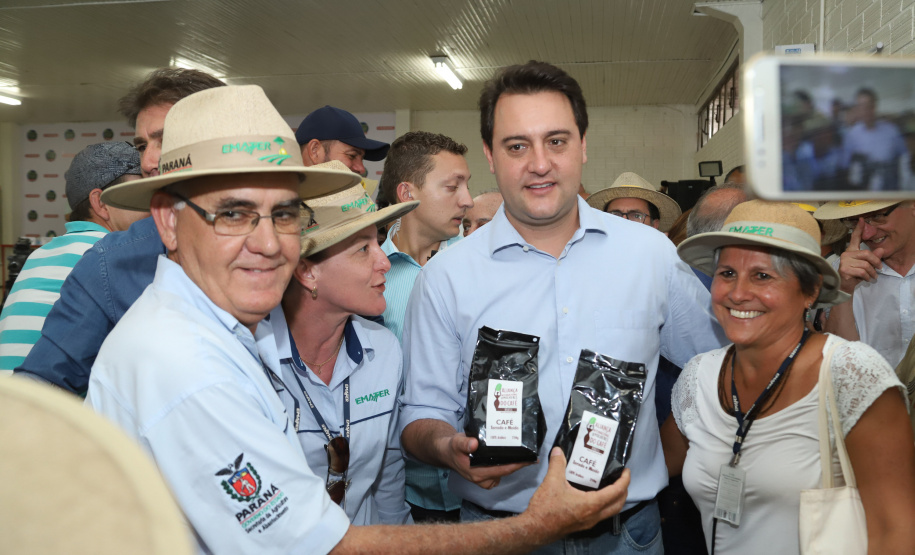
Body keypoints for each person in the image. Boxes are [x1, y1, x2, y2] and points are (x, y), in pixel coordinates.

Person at [86, 83, 632, 555]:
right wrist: (536, 527)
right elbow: (326, 546)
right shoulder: (182, 361)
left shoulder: (217, 333)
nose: (270, 244)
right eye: (232, 213)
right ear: (169, 221)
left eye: (284, 214)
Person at [399, 60, 725, 553]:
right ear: (490, 154)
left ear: (583, 145)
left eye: (557, 140)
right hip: (498, 535)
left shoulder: (650, 255)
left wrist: (668, 457)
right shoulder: (446, 277)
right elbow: (420, 413)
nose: (539, 163)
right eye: (517, 146)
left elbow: (716, 369)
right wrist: (447, 447)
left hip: (627, 535)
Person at [666, 200, 915, 554]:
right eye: (727, 274)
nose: (737, 293)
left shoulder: (854, 376)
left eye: (762, 275)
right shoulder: (699, 376)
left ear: (811, 290)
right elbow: (652, 466)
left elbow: (896, 532)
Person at [14, 68, 224, 394]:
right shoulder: (110, 264)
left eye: (164, 140)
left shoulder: (279, 249)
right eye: (143, 145)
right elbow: (37, 392)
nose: (150, 161)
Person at [259, 181, 419, 525]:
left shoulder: (384, 349)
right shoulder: (253, 360)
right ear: (306, 271)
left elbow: (388, 472)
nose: (384, 262)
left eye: (378, 241)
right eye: (363, 249)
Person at [378, 130, 472, 522]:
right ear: (407, 193)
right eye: (452, 187)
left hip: (478, 491)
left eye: (466, 186)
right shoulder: (367, 277)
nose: (466, 200)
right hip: (397, 494)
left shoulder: (479, 270)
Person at [0, 142, 142, 373]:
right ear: (101, 203)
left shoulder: (39, 255)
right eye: (140, 194)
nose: (153, 206)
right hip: (52, 406)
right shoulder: (111, 254)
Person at [814, 200, 915, 367]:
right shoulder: (840, 271)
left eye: (876, 216)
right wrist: (845, 291)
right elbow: (840, 361)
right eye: (853, 221)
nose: (866, 234)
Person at [841, 88, 910, 191]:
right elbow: (845, 166)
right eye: (862, 107)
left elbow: (905, 159)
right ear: (857, 109)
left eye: (869, 106)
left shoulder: (891, 131)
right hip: (863, 194)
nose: (866, 111)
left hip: (889, 192)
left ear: (875, 106)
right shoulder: (852, 135)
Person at [296, 105, 389, 177]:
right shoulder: (283, 200)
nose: (361, 169)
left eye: (362, 159)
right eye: (351, 156)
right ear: (315, 151)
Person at [586, 171, 681, 232]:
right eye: (615, 215)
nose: (623, 221)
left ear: (655, 225)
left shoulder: (665, 262)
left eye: (636, 216)